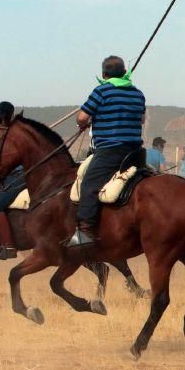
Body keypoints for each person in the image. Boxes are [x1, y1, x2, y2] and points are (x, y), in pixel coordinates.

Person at [66, 55, 146, 247]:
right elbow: (142, 120)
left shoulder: (101, 91)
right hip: (136, 151)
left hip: (111, 151)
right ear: (124, 72)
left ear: (104, 74)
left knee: (88, 185)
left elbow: (82, 118)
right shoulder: (138, 93)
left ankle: (85, 231)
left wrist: (85, 122)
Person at [0, 102, 26, 260]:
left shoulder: (2, 133)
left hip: (19, 175)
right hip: (24, 173)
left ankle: (8, 246)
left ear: (0, 114)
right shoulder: (19, 129)